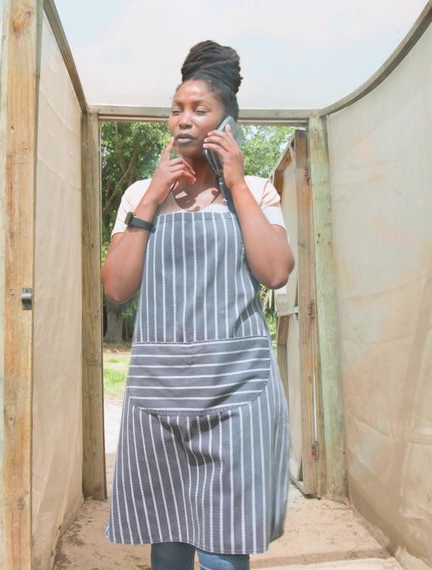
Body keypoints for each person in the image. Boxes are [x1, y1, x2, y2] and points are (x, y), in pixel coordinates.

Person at [101, 40, 294, 570]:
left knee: (224, 551)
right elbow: (116, 288)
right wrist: (151, 199)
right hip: (159, 395)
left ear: (226, 123)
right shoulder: (142, 192)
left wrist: (235, 182)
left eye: (199, 110)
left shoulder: (255, 191)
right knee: (166, 541)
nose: (183, 120)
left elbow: (275, 272)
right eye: (176, 109)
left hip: (237, 395)